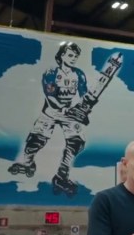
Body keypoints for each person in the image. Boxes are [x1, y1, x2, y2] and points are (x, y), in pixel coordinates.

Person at [9, 42, 88, 196]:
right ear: (62, 55)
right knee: (35, 140)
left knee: (77, 142)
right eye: (70, 55)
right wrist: (65, 109)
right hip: (51, 112)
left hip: (69, 114)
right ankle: (28, 163)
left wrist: (81, 110)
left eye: (76, 56)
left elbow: (83, 95)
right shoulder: (51, 73)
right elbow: (50, 96)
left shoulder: (79, 74)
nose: (73, 58)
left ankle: (62, 175)